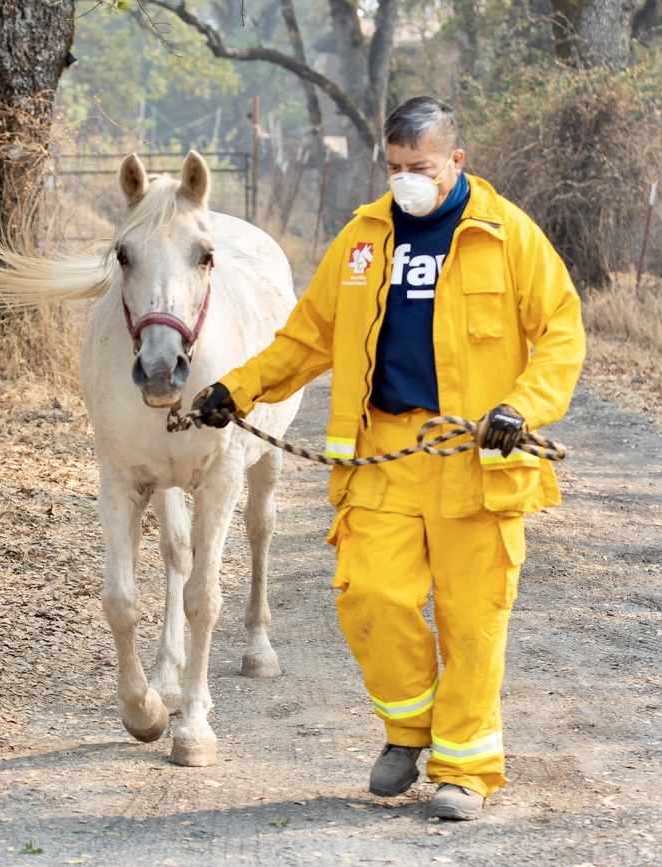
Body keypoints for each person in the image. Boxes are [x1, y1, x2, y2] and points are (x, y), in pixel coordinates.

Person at [193, 96, 585, 820]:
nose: (405, 180)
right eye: (395, 167)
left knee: (473, 619)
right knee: (368, 595)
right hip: (386, 452)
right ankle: (408, 732)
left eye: (421, 167)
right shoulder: (364, 239)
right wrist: (236, 389)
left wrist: (521, 408)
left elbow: (561, 332)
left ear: (455, 163)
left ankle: (465, 769)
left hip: (475, 458)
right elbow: (306, 338)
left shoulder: (508, 236)